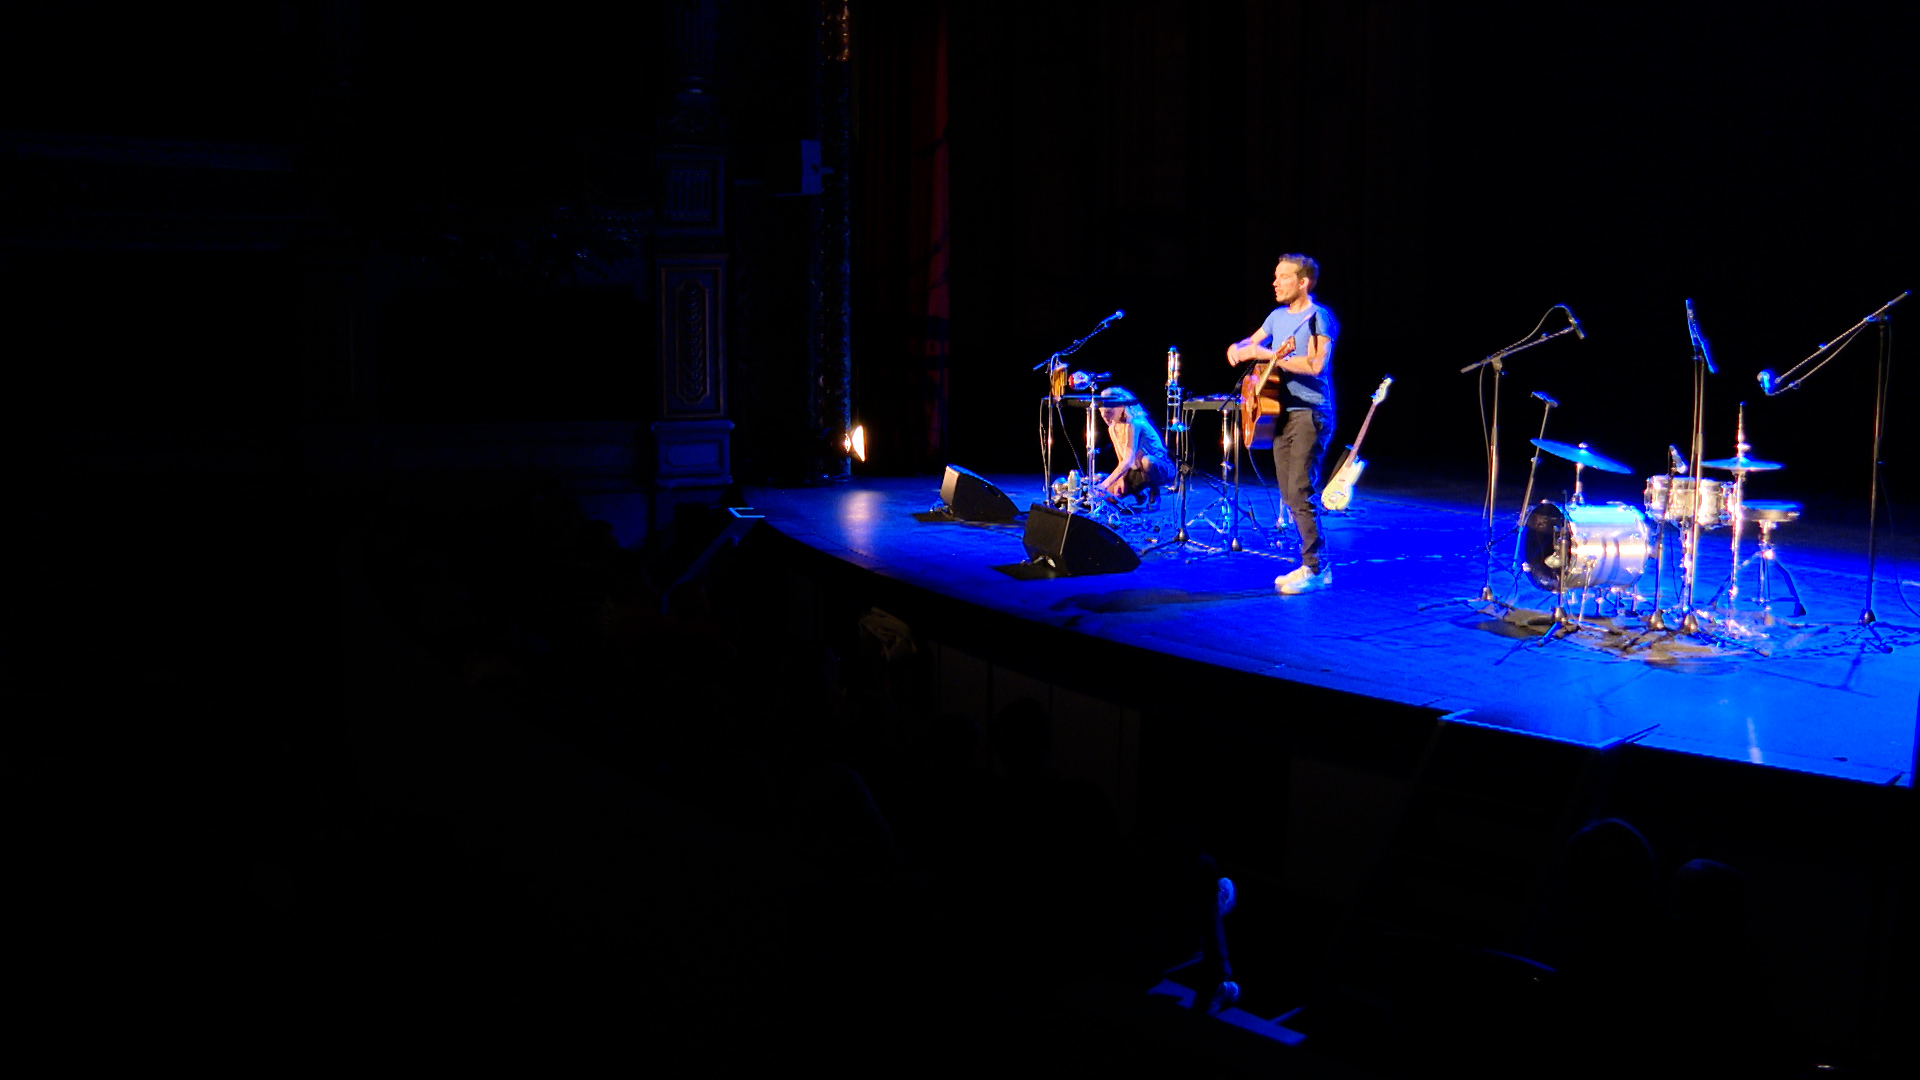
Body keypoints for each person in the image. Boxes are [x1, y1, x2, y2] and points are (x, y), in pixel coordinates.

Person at [1226, 254, 1339, 593]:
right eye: (1275, 276)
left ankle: (1317, 568)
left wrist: (1274, 357)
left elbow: (1317, 365)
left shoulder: (1319, 318)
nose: (1275, 282)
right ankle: (1309, 562)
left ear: (1303, 282)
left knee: (1301, 489)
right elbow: (1252, 344)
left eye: (1283, 277)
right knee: (1289, 495)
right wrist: (1239, 348)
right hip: (1279, 414)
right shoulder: (1276, 317)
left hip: (1310, 412)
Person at [1093, 388, 1173, 506]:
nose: (1106, 418)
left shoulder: (1134, 424)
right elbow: (1121, 459)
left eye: (1109, 413)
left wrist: (1103, 484)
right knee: (1108, 497)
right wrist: (1121, 480)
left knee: (1147, 462)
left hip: (1158, 467)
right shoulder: (1112, 428)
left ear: (1120, 407)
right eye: (1102, 414)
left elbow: (1128, 460)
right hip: (1136, 471)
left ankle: (1154, 491)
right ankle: (1139, 491)